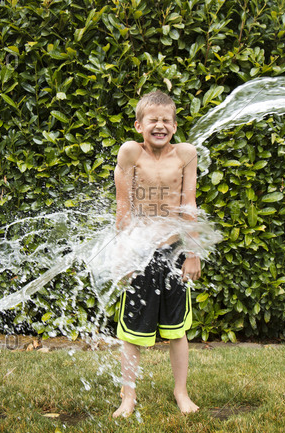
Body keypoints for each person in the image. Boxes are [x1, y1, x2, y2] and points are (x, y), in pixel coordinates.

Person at [113, 90, 201, 417]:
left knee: (177, 330)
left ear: (175, 126)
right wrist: (123, 251)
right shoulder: (130, 153)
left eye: (167, 120)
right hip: (141, 251)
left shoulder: (186, 154)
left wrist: (192, 252)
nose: (160, 125)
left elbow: (189, 204)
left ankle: (181, 392)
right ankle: (128, 397)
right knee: (133, 331)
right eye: (153, 120)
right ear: (139, 126)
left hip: (175, 250)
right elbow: (123, 207)